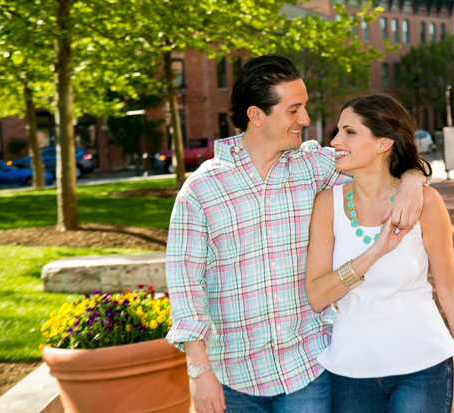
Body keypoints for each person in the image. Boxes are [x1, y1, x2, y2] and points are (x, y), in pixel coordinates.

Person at [165, 55, 427, 413]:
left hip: (307, 370)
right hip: (233, 377)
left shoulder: (315, 166)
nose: (305, 119)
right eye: (294, 110)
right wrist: (198, 370)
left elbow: (381, 164)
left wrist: (414, 178)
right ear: (257, 116)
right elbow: (185, 285)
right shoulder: (200, 190)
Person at [305, 94, 454, 413]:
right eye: (337, 130)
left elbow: (449, 289)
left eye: (349, 131)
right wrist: (374, 253)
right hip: (351, 368)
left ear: (382, 143)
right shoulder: (327, 205)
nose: (334, 140)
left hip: (422, 364)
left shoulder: (424, 203)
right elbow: (317, 296)